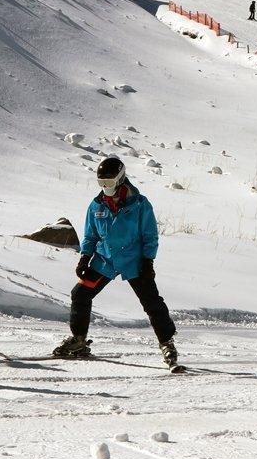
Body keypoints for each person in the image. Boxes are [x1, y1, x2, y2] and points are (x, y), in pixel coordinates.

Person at [54, 157, 179, 369]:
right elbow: (90, 236)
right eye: (101, 183)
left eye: (109, 183)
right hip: (105, 260)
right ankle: (79, 341)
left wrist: (148, 262)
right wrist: (85, 257)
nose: (105, 188)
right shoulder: (96, 205)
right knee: (80, 294)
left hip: (134, 261)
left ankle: (167, 343)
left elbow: (150, 237)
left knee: (151, 302)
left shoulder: (140, 205)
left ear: (120, 179)